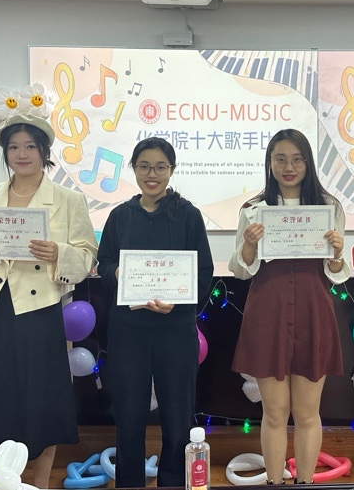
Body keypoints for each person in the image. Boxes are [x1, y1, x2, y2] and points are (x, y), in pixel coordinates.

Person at [0, 112, 98, 489]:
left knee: (41, 404)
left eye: (30, 146)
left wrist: (58, 252)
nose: (22, 154)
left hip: (39, 313)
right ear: (5, 153)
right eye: (14, 147)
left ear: (44, 152)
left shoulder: (68, 200)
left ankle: (41, 483)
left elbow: (86, 257)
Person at [229, 128, 348, 485]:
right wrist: (249, 244)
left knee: (308, 414)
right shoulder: (254, 210)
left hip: (313, 311)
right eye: (280, 159)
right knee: (274, 413)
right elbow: (240, 270)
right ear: (269, 163)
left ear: (308, 163)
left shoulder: (329, 208)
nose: (289, 167)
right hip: (268, 313)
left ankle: (305, 483)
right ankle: (274, 483)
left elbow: (335, 272)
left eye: (297, 159)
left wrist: (337, 252)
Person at [97, 137, 213, 488]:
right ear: (133, 169)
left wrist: (178, 302)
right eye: (144, 166)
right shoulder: (120, 216)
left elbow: (203, 272)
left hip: (175, 329)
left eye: (160, 167)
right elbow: (104, 263)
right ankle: (129, 484)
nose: (152, 174)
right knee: (128, 418)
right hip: (128, 330)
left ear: (171, 170)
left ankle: (173, 483)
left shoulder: (188, 215)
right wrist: (117, 272)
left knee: (177, 419)